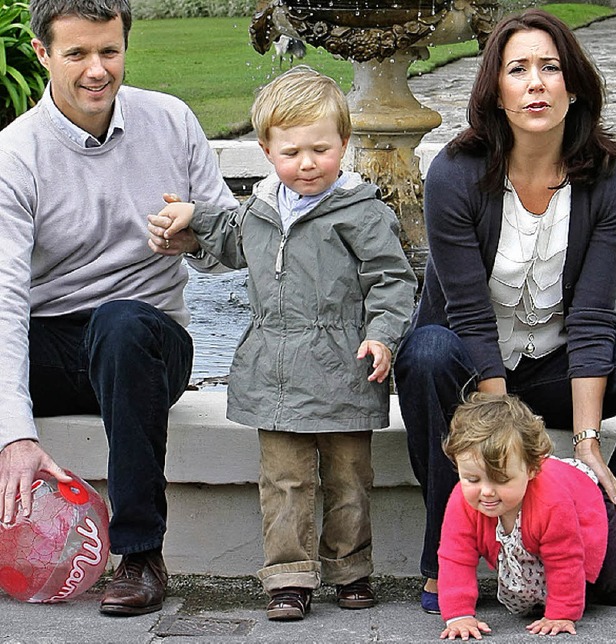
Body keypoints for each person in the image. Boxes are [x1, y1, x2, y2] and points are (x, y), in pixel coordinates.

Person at [147, 66, 418, 621]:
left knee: (348, 479)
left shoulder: (361, 213)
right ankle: (289, 576)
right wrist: (190, 222)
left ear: (344, 144)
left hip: (345, 366)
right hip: (276, 371)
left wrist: (382, 335)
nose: (308, 163)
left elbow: (393, 279)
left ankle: (350, 568)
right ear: (266, 151)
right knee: (285, 480)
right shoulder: (263, 210)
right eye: (291, 151)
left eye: (321, 148)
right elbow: (227, 238)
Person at [393, 8, 616, 614]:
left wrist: (586, 442)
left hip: (555, 366)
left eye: (550, 68)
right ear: (495, 92)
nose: (536, 83)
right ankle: (441, 561)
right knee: (425, 352)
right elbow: (469, 317)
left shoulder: (610, 178)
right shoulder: (455, 173)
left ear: (573, 85)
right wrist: (509, 438)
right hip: (468, 370)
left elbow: (592, 315)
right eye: (518, 69)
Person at [0, 0, 238, 616]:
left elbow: (232, 249)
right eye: (76, 53)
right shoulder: (15, 154)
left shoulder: (171, 120)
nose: (97, 70)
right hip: (55, 342)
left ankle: (139, 554)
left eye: (110, 51)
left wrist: (196, 237)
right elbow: (5, 302)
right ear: (43, 53)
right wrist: (16, 436)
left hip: (149, 343)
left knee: (120, 321)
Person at [438, 393, 616, 639]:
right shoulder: (462, 500)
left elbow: (565, 557)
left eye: (501, 479)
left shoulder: (551, 500)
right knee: (531, 593)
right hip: (530, 526)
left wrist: (561, 613)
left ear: (533, 469)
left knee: (610, 571)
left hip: (586, 502)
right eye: (472, 479)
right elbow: (455, 557)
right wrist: (458, 615)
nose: (486, 491)